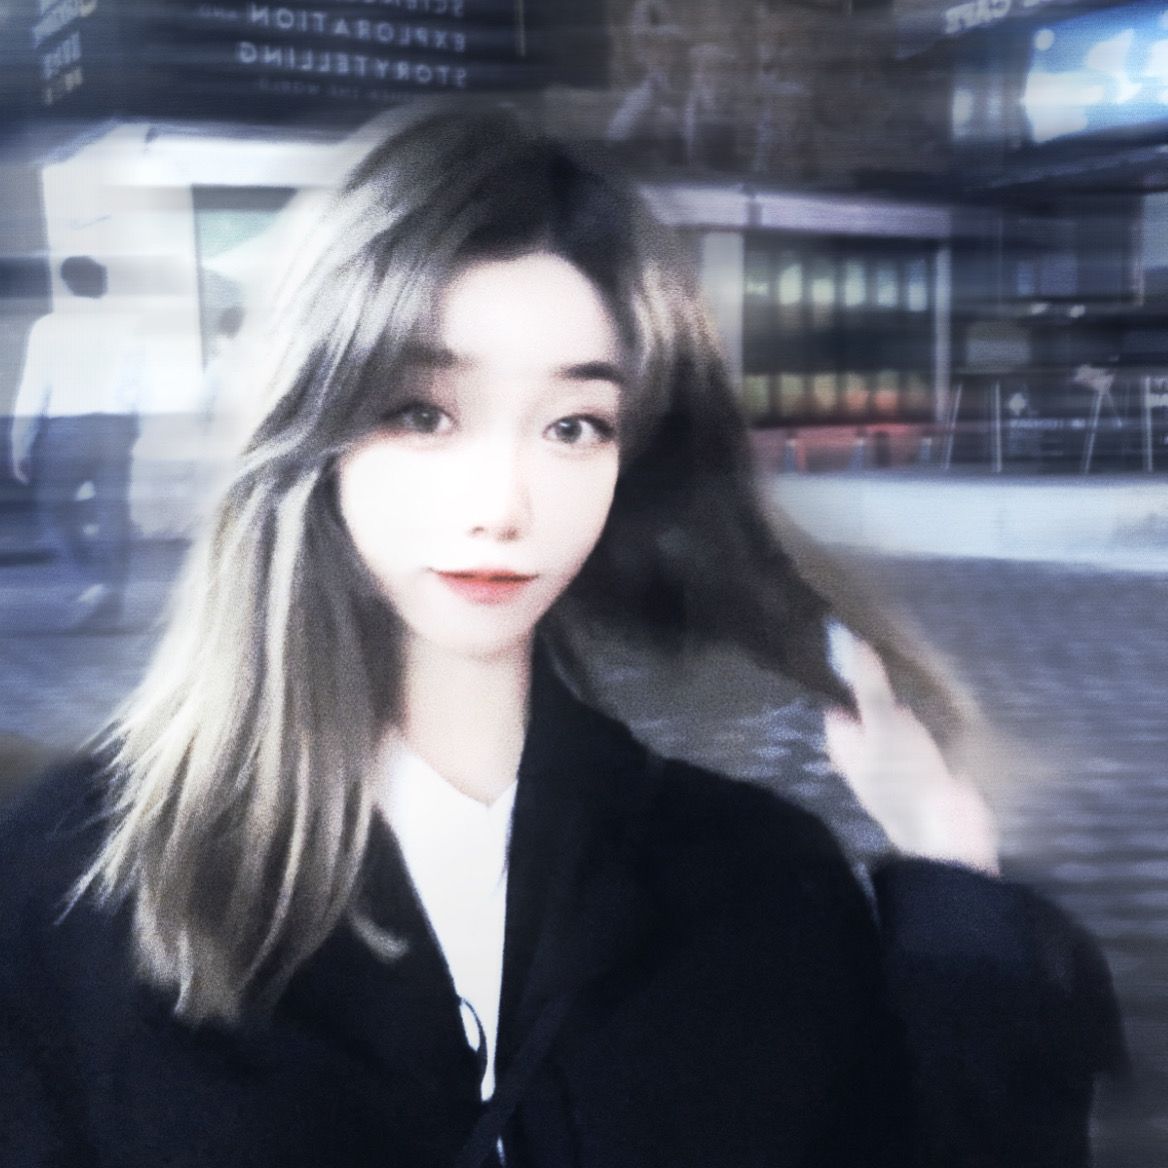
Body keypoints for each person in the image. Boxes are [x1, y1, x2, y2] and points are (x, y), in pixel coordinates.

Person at [0, 105, 1124, 1167]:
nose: (505, 504)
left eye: (574, 425)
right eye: (423, 412)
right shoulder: (82, 878)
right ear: (313, 421)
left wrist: (953, 884)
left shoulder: (754, 877)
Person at [8, 255, 144, 630]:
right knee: (113, 514)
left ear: (66, 285)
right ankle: (110, 595)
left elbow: (34, 386)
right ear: (103, 284)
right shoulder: (127, 325)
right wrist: (132, 429)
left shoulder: (49, 327)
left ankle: (89, 582)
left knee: (53, 510)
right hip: (115, 427)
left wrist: (20, 441)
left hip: (66, 431)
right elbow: (137, 384)